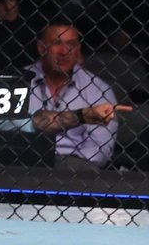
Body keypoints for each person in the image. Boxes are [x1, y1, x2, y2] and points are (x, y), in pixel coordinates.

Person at [26, 21, 131, 170]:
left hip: (75, 167)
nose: (64, 51)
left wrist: (69, 164)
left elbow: (100, 149)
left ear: (78, 48)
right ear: (41, 48)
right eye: (57, 43)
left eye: (71, 44)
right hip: (25, 162)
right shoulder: (19, 81)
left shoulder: (97, 88)